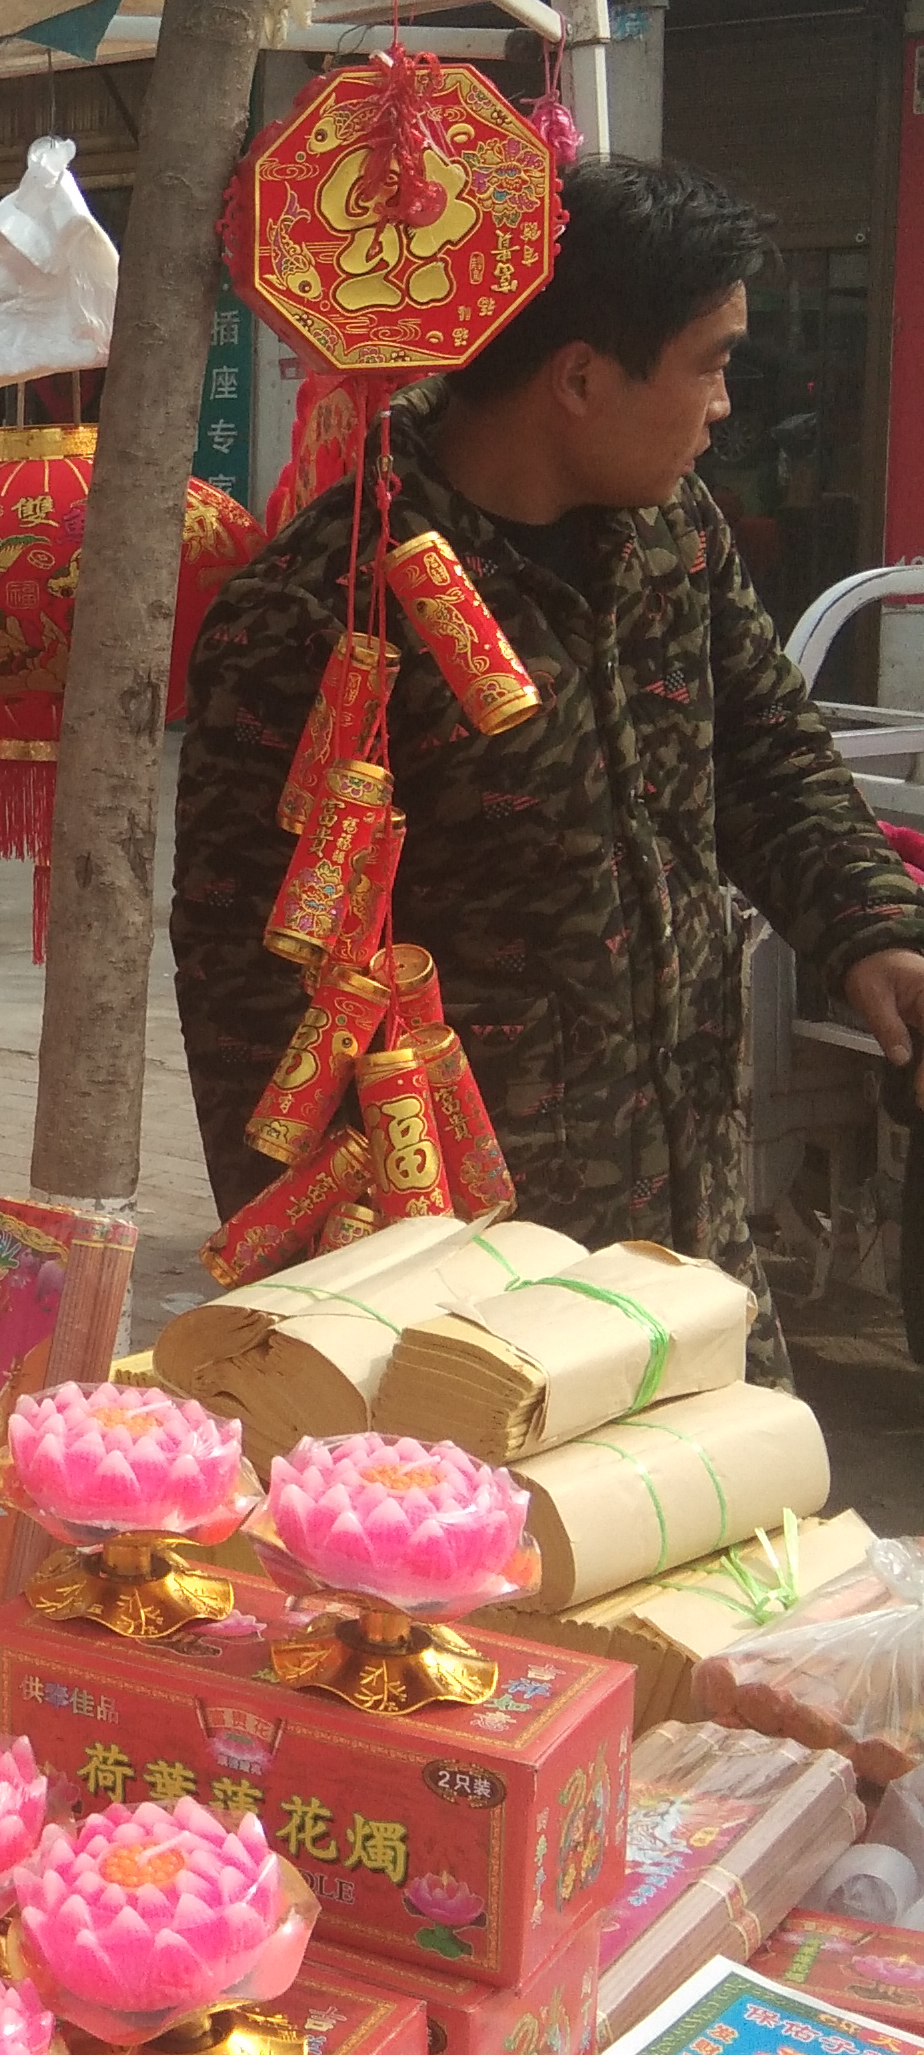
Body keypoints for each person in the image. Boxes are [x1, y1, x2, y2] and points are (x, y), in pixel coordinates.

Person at [172, 161, 924, 1347]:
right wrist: (330, 1309)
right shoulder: (322, 606)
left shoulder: (674, 534)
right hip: (466, 1293)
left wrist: (871, 928)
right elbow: (248, 990)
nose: (725, 407)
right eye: (710, 364)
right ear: (579, 378)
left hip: (690, 1241)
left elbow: (767, 752)